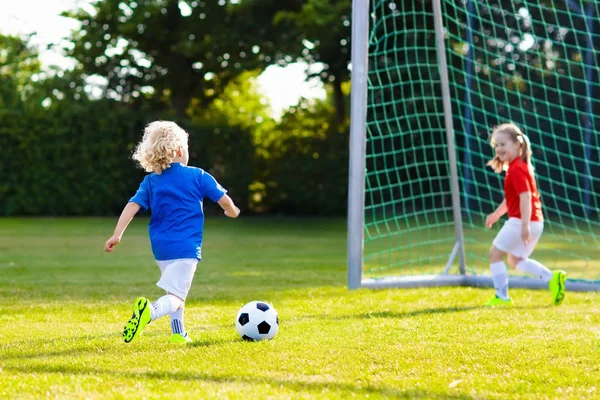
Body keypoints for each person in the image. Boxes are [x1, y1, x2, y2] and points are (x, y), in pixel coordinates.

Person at [104, 120, 240, 343]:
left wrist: (117, 234)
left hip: (160, 248)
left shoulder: (150, 181)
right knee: (176, 295)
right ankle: (151, 311)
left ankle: (179, 334)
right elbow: (224, 201)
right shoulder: (197, 175)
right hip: (186, 247)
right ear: (179, 150)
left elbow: (132, 205)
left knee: (175, 290)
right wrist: (233, 211)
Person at [485, 122, 566, 307]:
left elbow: (525, 197)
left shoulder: (517, 169)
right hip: (535, 221)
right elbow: (512, 199)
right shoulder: (517, 167)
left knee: (494, 254)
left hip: (523, 221)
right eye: (496, 145)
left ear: (517, 145)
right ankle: (552, 278)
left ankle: (502, 298)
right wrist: (497, 214)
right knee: (515, 260)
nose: (499, 148)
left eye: (503, 144)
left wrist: (523, 226)